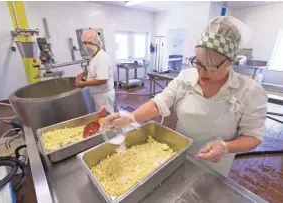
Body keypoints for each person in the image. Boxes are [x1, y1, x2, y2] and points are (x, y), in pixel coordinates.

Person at [103, 16, 268, 176]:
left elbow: (253, 136)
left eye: (211, 67)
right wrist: (130, 118)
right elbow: (159, 103)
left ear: (230, 61)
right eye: (199, 63)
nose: (202, 72)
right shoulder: (186, 77)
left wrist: (225, 147)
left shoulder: (249, 91)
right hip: (177, 153)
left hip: (214, 167)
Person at [75, 29, 115, 113]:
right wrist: (84, 73)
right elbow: (96, 71)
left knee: (106, 120)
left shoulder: (102, 57)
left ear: (96, 42)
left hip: (103, 96)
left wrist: (83, 84)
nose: (86, 46)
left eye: (89, 43)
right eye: (85, 43)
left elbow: (102, 80)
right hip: (99, 95)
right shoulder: (95, 56)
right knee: (101, 118)